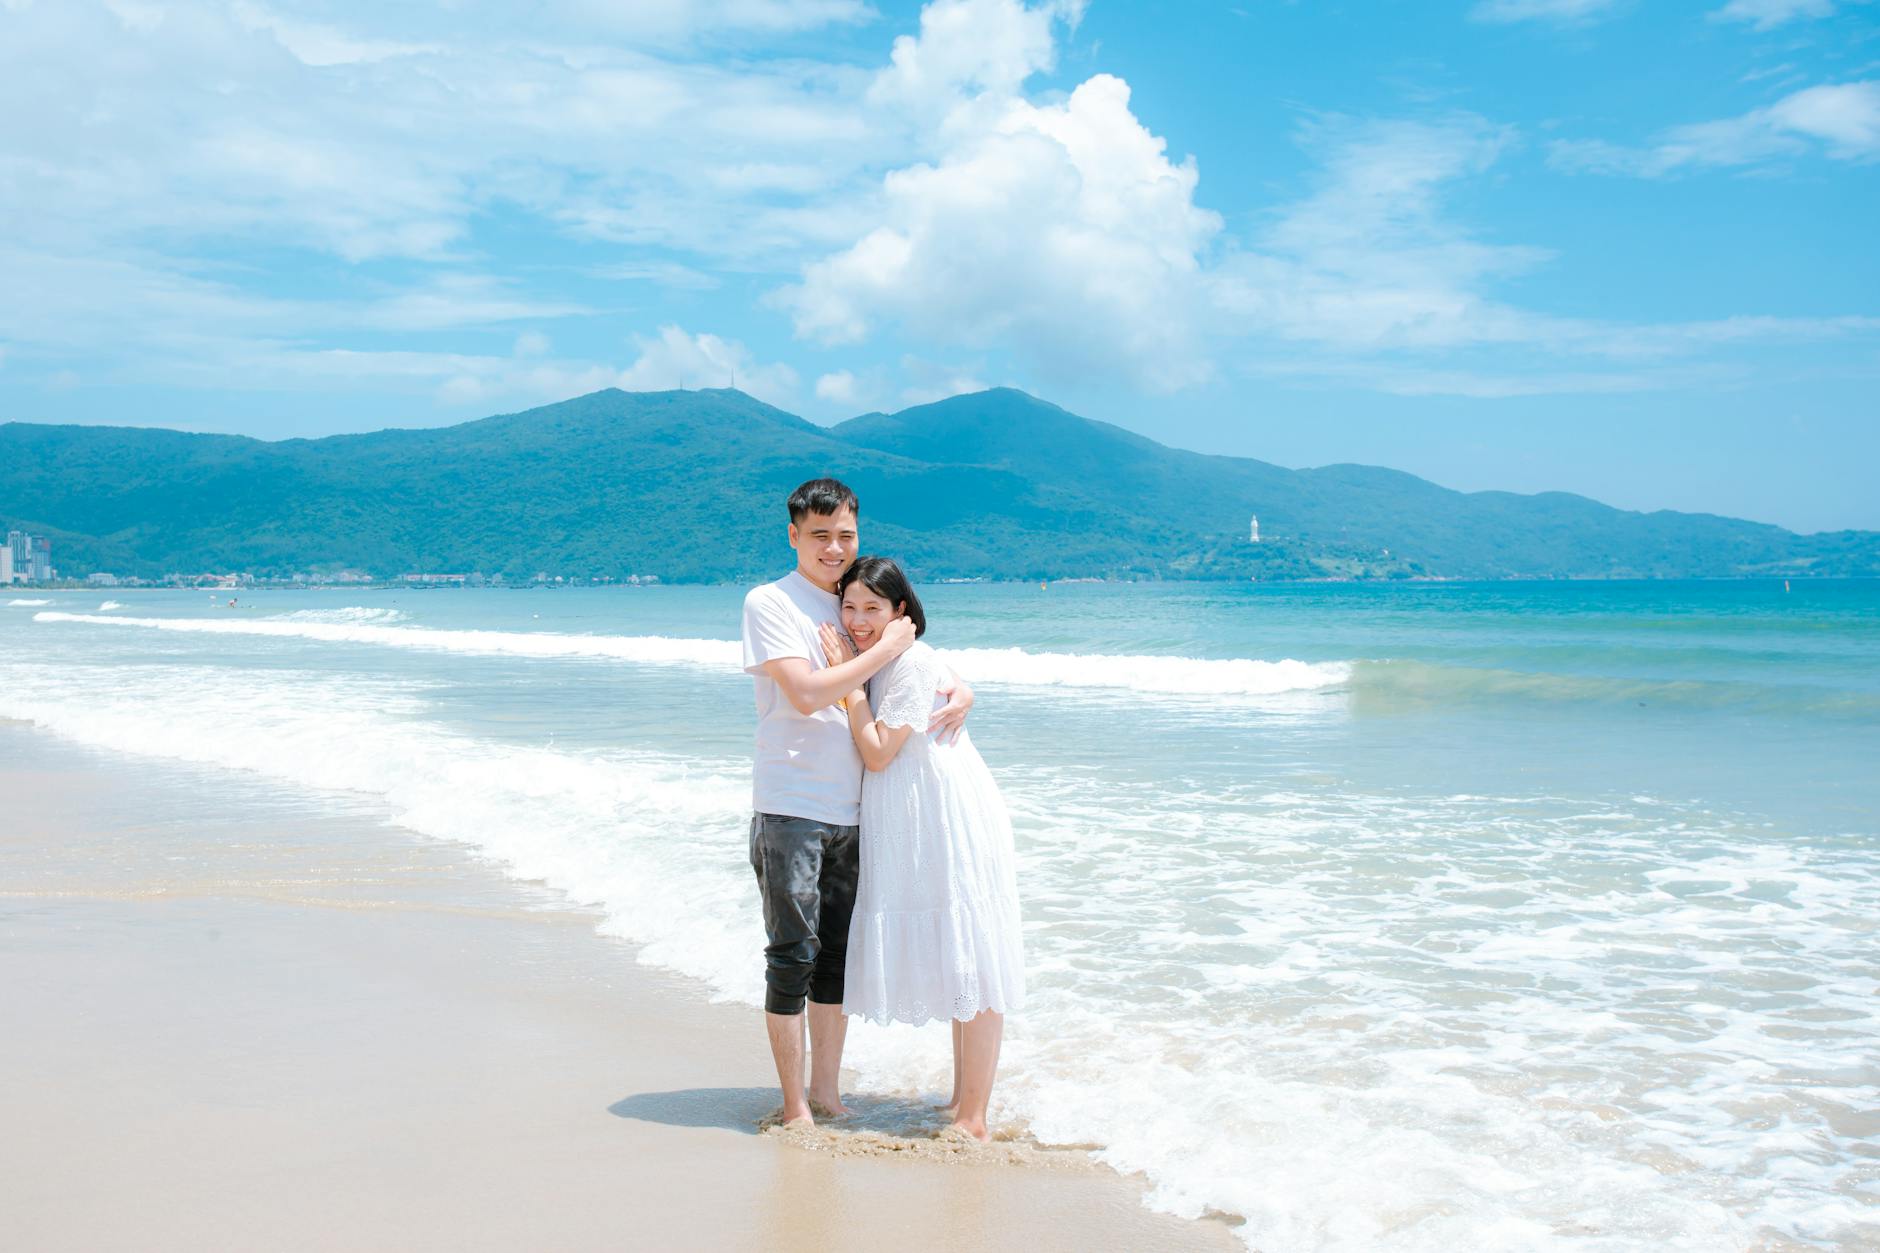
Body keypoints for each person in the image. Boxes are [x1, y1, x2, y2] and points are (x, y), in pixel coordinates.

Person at [740, 479, 974, 1128]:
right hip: (791, 802)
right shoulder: (770, 602)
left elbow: (912, 669)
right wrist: (893, 646)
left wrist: (963, 687)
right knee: (793, 954)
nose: (833, 547)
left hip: (857, 808)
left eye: (845, 534)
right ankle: (794, 1105)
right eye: (819, 535)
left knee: (836, 962)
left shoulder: (855, 604)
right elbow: (809, 693)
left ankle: (827, 1090)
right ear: (793, 535)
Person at [818, 556, 1025, 1143]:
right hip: (913, 814)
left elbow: (879, 751)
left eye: (873, 609)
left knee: (973, 953)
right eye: (849, 606)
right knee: (955, 948)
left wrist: (852, 688)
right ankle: (961, 1101)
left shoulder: (907, 660)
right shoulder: (879, 658)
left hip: (945, 813)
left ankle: (973, 1116)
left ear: (900, 612)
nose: (858, 620)